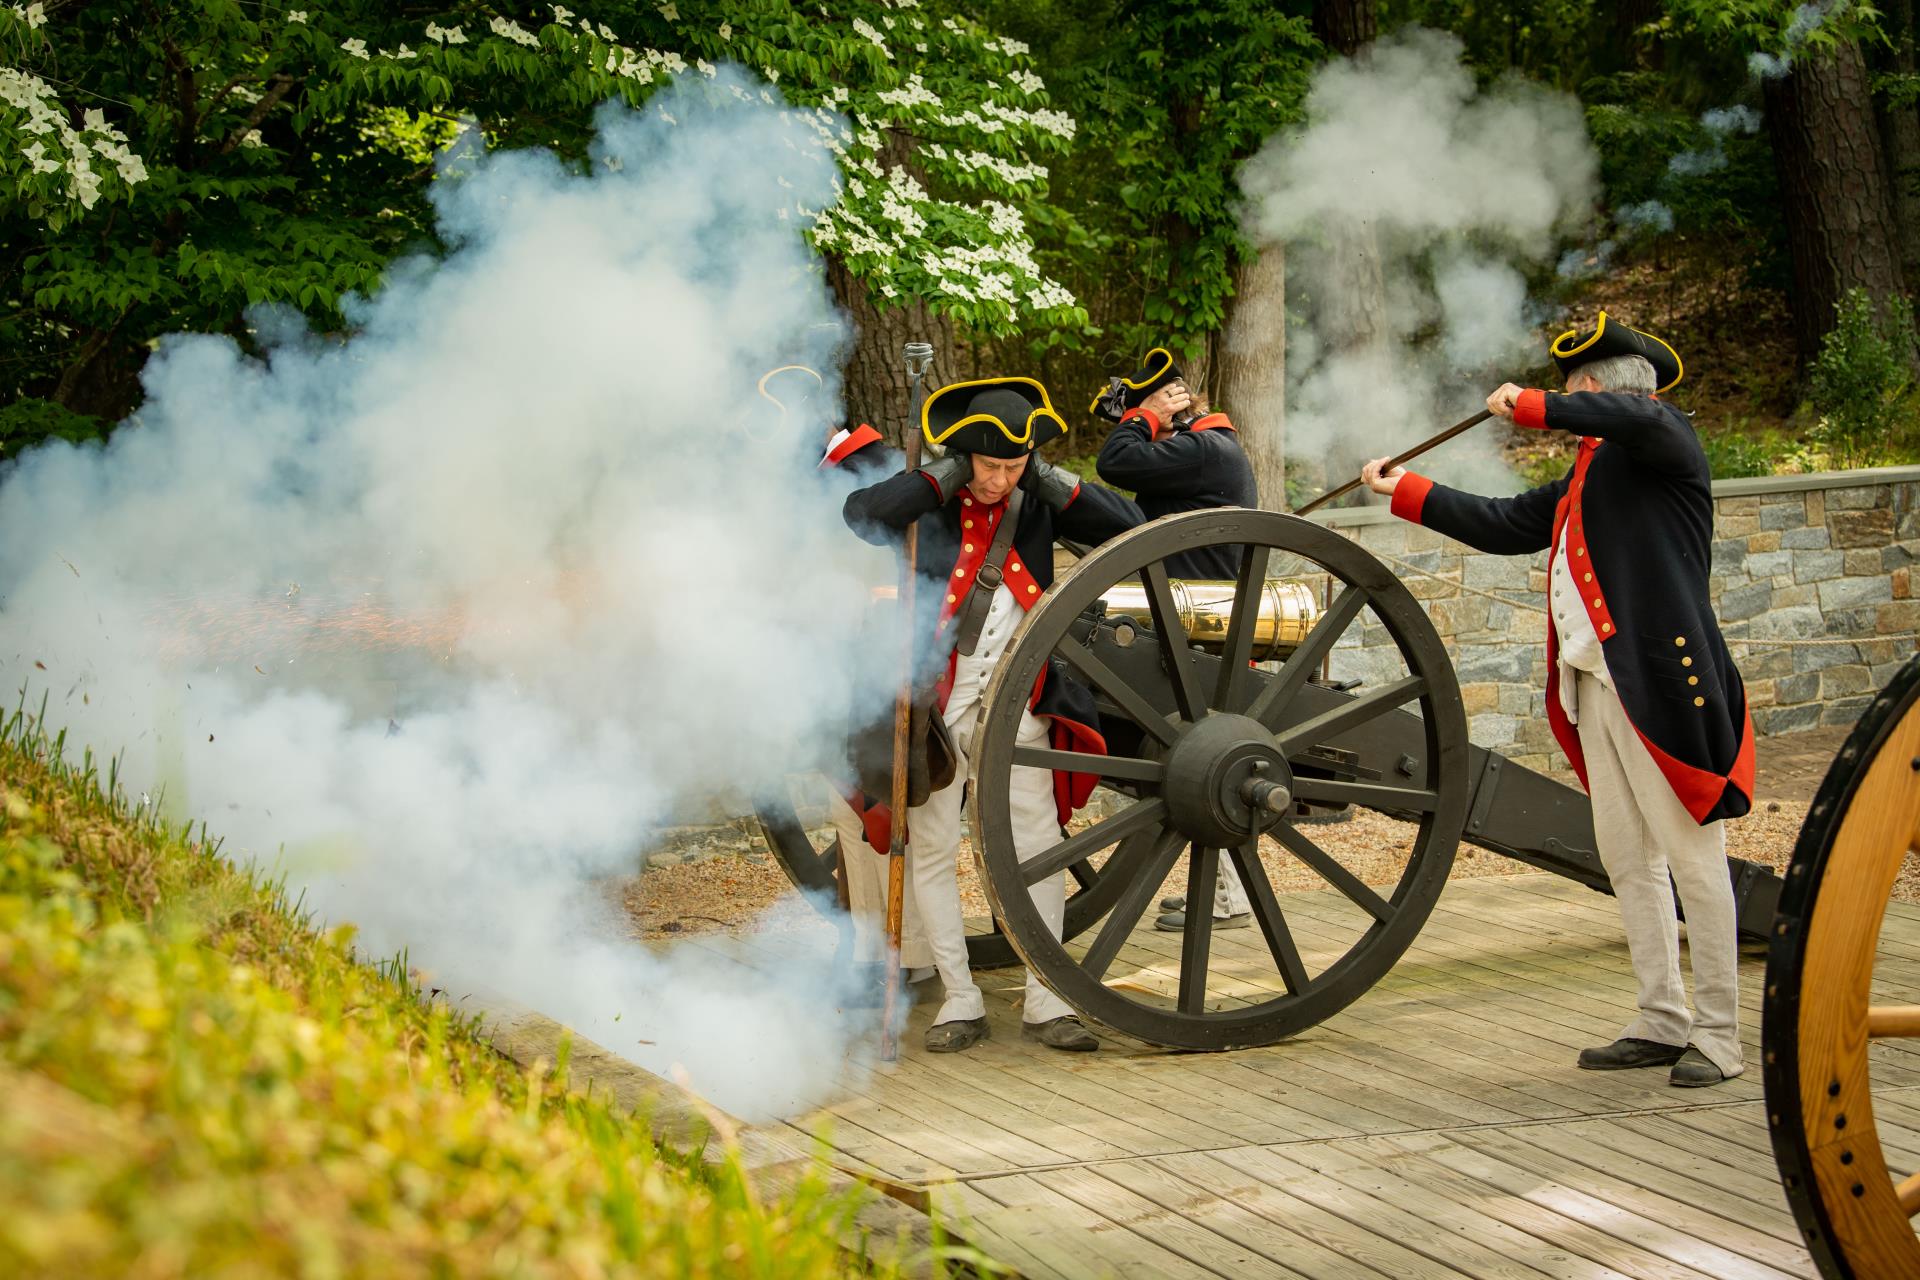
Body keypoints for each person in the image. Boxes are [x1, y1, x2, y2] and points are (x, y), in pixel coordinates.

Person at [1359, 312, 1752, 1088]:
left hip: (1660, 688)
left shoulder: (1661, 435)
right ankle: (1662, 1017)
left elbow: (1632, 415)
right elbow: (1506, 524)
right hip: (1597, 685)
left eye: (1574, 388)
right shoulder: (1591, 468)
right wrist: (1406, 489)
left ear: (1597, 389)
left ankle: (1720, 1033)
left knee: (1691, 858)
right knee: (1627, 860)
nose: (1567, 401)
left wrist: (1532, 403)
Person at [844, 376, 1142, 1053]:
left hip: (1021, 696)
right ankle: (960, 996)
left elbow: (1130, 528)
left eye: (1015, 466)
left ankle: (1046, 998)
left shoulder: (1033, 499)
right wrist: (937, 480)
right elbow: (862, 514)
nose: (1000, 479)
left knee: (1037, 845)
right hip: (935, 706)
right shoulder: (931, 502)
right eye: (990, 465)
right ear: (964, 456)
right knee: (935, 850)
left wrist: (1048, 479)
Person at [1091, 348, 1258, 932]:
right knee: (1192, 757)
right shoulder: (1197, 452)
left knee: (1204, 756)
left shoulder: (1206, 448)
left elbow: (1116, 462)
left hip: (1200, 622)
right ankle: (1228, 894)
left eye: (1156, 406)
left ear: (1178, 407)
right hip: (1184, 616)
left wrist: (1146, 414)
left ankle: (1230, 896)